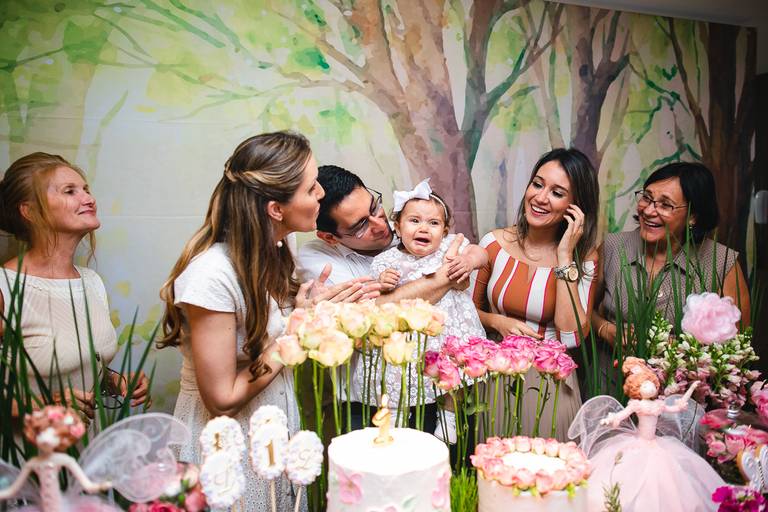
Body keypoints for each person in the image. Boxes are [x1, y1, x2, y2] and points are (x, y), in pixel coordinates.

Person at [159, 131, 366, 510]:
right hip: (227, 451)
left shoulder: (277, 248)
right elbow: (222, 400)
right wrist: (294, 333)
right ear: (275, 209)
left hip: (271, 433)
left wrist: (304, 310)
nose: (321, 193)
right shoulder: (212, 276)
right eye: (311, 188)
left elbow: (272, 335)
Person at [296, 166, 469, 433]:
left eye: (375, 207)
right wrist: (445, 276)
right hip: (369, 399)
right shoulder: (317, 259)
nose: (380, 225)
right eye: (360, 226)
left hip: (435, 383)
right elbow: (372, 313)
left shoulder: (414, 230)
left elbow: (465, 275)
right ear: (330, 237)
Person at [0, 153, 149, 425]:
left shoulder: (91, 282)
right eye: (70, 191)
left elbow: (78, 369)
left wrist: (113, 381)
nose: (89, 198)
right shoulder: (5, 288)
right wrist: (45, 404)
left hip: (89, 445)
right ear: (30, 211)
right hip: (33, 448)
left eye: (86, 189)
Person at [472, 147, 600, 440]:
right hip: (495, 375)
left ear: (576, 207)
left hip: (550, 385)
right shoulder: (493, 244)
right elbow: (464, 312)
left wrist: (565, 256)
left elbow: (571, 337)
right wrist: (496, 322)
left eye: (557, 192)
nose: (540, 198)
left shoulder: (584, 260)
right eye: (537, 184)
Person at [361, 179, 487, 441]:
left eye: (433, 223)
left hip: (448, 330)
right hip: (408, 337)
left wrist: (468, 260)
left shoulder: (448, 248)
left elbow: (481, 253)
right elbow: (376, 298)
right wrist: (383, 282)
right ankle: (396, 415)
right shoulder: (387, 260)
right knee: (396, 371)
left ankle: (449, 416)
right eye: (414, 221)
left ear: (444, 231)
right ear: (398, 226)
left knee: (453, 371)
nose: (424, 228)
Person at [592, 162, 750, 347]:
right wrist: (605, 329)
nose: (648, 211)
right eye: (647, 198)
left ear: (693, 216)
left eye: (666, 205)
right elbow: (581, 310)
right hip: (611, 366)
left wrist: (680, 349)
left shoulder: (722, 263)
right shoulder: (612, 246)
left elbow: (738, 344)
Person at [573, 358, 723, 511]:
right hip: (638, 441)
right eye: (645, 385)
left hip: (655, 442)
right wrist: (612, 419)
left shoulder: (658, 404)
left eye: (651, 383)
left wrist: (689, 391)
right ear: (637, 388)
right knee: (629, 473)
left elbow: (675, 409)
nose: (650, 387)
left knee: (666, 477)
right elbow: (622, 414)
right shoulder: (637, 405)